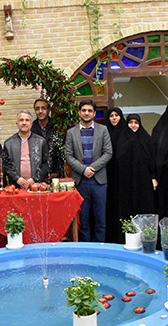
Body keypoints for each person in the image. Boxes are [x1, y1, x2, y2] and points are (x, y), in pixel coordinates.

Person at [65, 99, 113, 242]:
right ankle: (85, 248)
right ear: (79, 112)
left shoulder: (103, 130)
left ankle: (100, 248)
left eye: (90, 111)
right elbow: (68, 155)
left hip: (99, 181)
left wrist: (92, 168)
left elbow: (108, 153)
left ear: (94, 113)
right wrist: (83, 169)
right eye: (84, 110)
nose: (86, 113)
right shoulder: (71, 132)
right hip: (80, 182)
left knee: (100, 220)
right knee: (83, 220)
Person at [115, 114, 157, 236]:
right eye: (131, 122)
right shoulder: (122, 139)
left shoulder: (146, 139)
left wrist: (153, 177)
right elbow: (119, 159)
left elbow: (152, 160)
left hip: (143, 180)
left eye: (136, 123)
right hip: (126, 181)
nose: (133, 125)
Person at [3, 111, 50, 188]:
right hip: (16, 186)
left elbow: (46, 163)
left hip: (36, 185)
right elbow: (6, 164)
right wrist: (17, 178)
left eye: (27, 120)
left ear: (31, 124)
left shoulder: (41, 141)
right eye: (21, 120)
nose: (24, 123)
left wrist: (34, 179)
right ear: (17, 124)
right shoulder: (9, 143)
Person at [103, 107, 126, 243]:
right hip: (106, 174)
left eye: (116, 115)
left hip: (121, 175)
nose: (114, 118)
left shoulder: (125, 132)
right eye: (111, 116)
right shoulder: (105, 132)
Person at [31, 98, 64, 177]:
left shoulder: (56, 127)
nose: (40, 111)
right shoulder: (31, 128)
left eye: (43, 108)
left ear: (48, 110)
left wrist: (57, 171)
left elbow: (61, 152)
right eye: (37, 109)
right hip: (37, 173)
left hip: (55, 172)